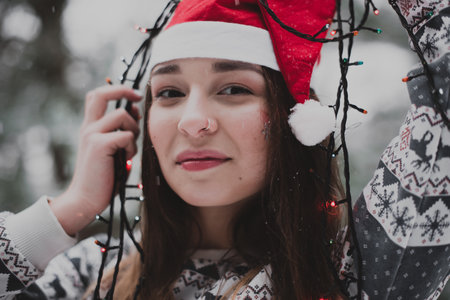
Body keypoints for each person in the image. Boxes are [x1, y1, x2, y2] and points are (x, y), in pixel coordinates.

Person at [0, 0, 449, 299]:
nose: (193, 121)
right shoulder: (91, 278)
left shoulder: (355, 271)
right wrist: (67, 210)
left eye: (233, 88)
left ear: (294, 121)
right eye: (170, 93)